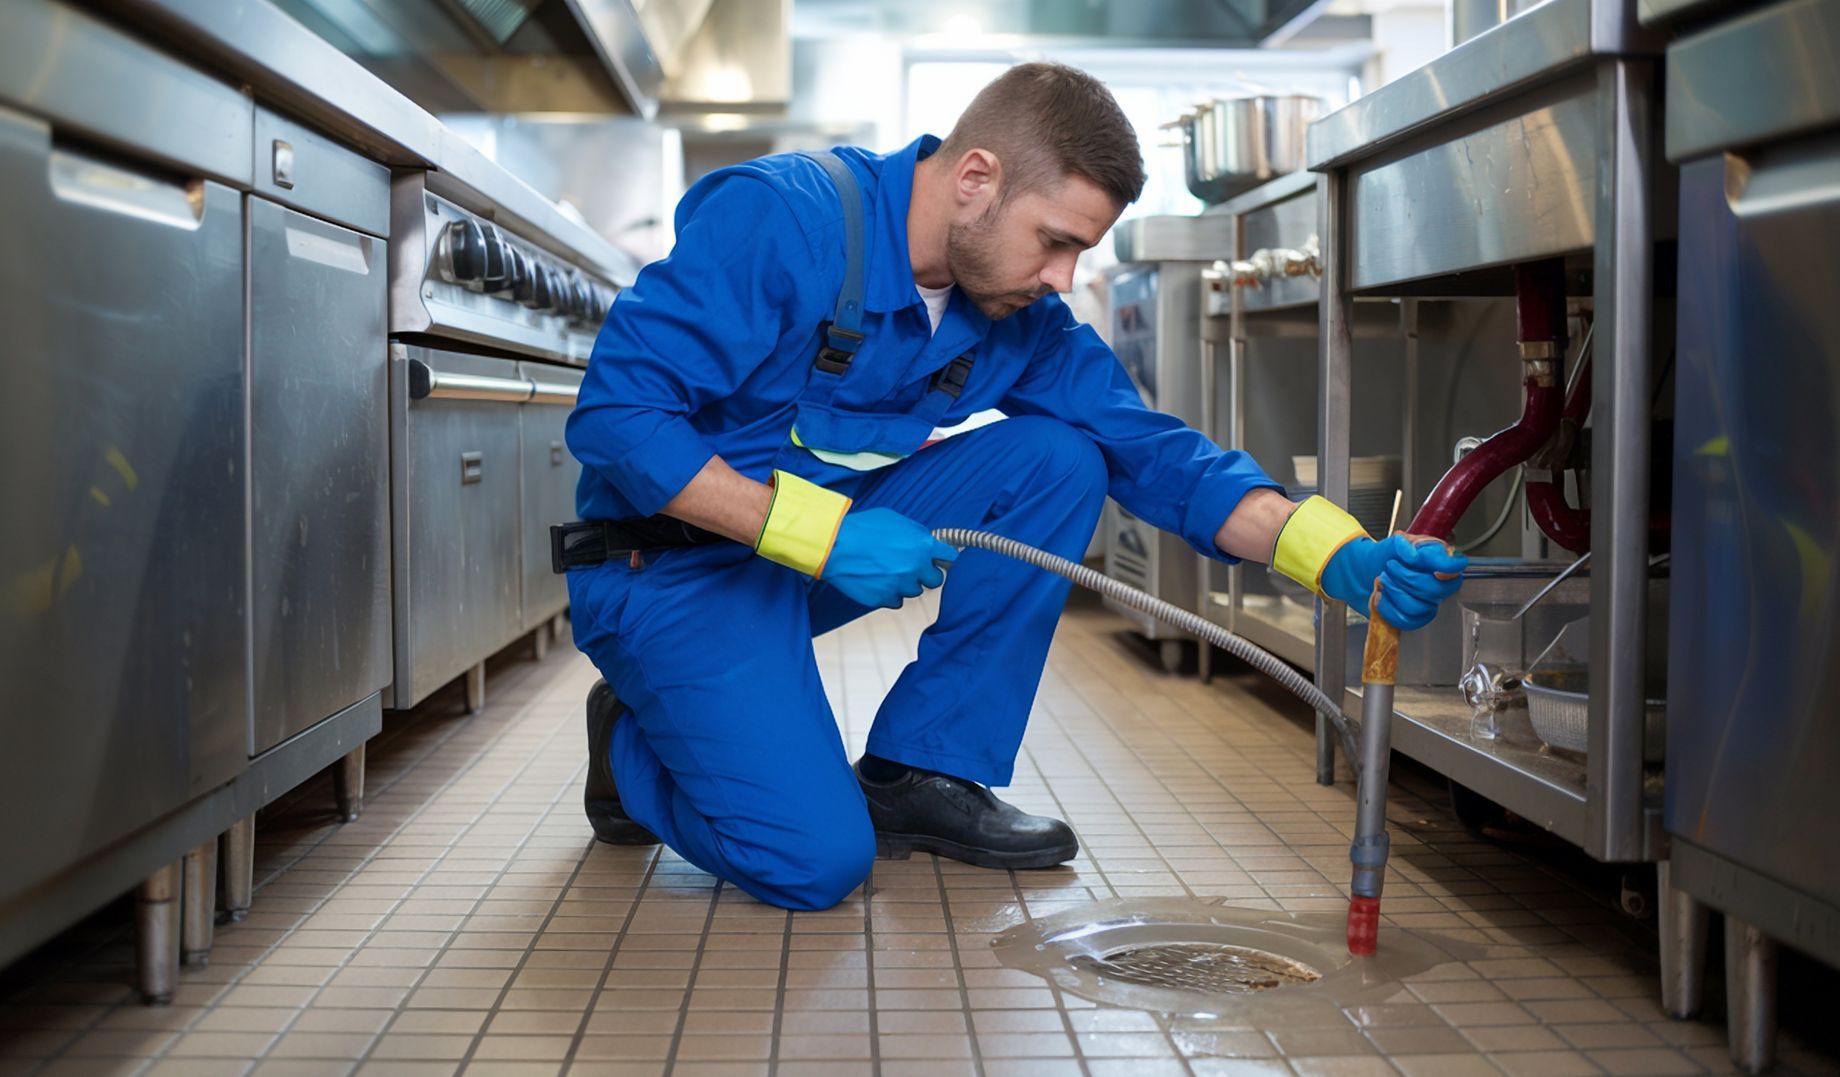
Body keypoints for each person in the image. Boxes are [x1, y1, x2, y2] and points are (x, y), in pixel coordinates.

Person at [559, 63, 1465, 911]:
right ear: (976, 180)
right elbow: (617, 417)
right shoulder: (784, 222)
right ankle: (632, 741)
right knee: (816, 862)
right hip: (664, 569)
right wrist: (823, 538)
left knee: (1061, 458)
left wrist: (1331, 549)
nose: (1064, 277)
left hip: (790, 558)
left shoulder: (1012, 315)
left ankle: (923, 769)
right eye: (1056, 242)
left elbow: (1154, 451)